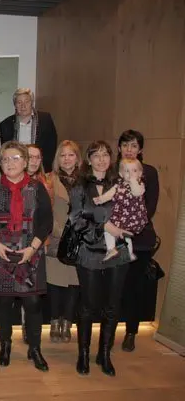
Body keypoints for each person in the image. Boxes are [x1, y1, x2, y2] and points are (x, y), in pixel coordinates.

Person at [0, 141, 53, 372]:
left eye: (15, 158)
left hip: (30, 252)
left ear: (25, 162)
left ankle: (35, 348)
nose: (9, 163)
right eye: (5, 159)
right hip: (1, 251)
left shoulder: (36, 187)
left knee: (32, 303)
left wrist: (31, 248)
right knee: (4, 303)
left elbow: (46, 222)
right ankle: (6, 345)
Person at [70, 141, 133, 376]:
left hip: (118, 251)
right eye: (96, 155)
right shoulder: (79, 186)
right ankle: (83, 354)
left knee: (113, 306)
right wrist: (106, 227)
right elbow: (76, 220)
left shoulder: (122, 183)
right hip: (88, 250)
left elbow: (134, 210)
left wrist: (125, 228)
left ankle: (104, 353)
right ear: (88, 159)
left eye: (105, 154)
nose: (101, 159)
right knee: (87, 306)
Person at [117, 130, 159, 352]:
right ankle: (108, 329)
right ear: (119, 148)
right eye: (125, 145)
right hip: (115, 239)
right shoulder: (115, 172)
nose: (129, 150)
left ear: (140, 149)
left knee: (133, 288)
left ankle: (131, 332)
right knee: (115, 288)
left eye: (133, 146)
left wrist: (131, 228)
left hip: (140, 239)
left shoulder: (149, 173)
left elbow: (150, 206)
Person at [45, 140, 81, 343]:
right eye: (63, 155)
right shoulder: (49, 180)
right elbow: (44, 209)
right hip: (56, 237)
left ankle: (67, 323)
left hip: (79, 239)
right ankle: (54, 322)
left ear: (77, 158)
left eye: (71, 155)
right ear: (57, 159)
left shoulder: (86, 180)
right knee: (56, 284)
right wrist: (59, 231)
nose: (67, 159)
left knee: (74, 283)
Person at [94, 159, 147, 262]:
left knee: (125, 235)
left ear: (140, 173)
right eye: (127, 171)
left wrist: (133, 181)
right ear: (121, 174)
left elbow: (136, 192)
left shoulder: (140, 184)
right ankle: (114, 250)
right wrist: (101, 199)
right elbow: (109, 194)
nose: (131, 173)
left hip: (132, 216)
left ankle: (126, 252)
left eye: (134, 171)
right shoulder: (118, 185)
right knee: (112, 231)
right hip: (119, 215)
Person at [0, 88, 58, 172]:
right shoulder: (5, 124)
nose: (23, 106)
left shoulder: (45, 119)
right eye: (19, 102)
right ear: (15, 105)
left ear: (32, 103)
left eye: (27, 101)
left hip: (40, 167)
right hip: (16, 168)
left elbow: (52, 146)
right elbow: (6, 151)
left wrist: (43, 166)